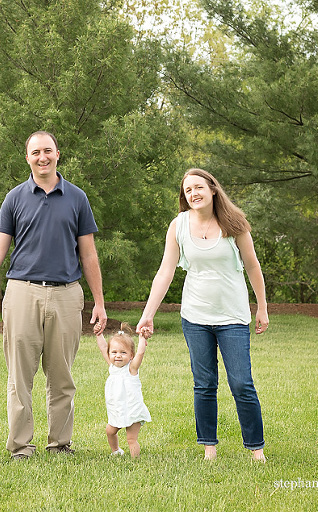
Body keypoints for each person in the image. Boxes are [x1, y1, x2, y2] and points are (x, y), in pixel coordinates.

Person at [0, 130, 107, 460]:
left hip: (67, 295)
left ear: (57, 154)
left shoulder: (77, 198)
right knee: (20, 377)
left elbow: (89, 254)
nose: (43, 157)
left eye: (48, 151)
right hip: (22, 293)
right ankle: (21, 447)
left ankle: (60, 444)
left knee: (62, 377)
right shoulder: (14, 198)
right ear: (27, 158)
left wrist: (99, 301)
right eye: (36, 152)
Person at [136, 168, 269, 463]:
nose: (193, 194)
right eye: (188, 191)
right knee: (204, 383)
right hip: (195, 317)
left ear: (212, 189)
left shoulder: (235, 224)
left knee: (241, 383)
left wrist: (262, 307)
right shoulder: (179, 225)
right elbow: (165, 272)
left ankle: (256, 449)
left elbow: (253, 266)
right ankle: (209, 447)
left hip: (233, 316)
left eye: (198, 187)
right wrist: (148, 314)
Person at [94, 322, 151, 458]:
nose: (118, 356)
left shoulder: (132, 369)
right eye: (114, 352)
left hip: (132, 410)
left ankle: (135, 460)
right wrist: (99, 334)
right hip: (117, 410)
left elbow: (141, 353)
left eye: (123, 352)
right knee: (110, 431)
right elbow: (103, 348)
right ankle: (116, 451)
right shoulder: (113, 368)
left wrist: (142, 339)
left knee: (131, 439)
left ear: (131, 355)